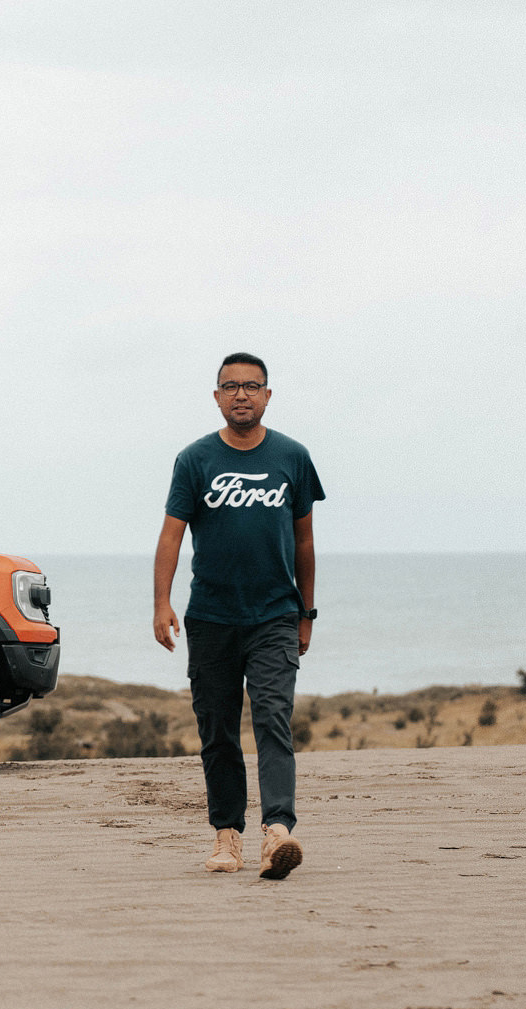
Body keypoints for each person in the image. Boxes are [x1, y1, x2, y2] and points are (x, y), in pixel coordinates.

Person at [152, 353, 324, 880]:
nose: (242, 394)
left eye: (252, 386)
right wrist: (162, 603)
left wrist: (306, 613)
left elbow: (304, 540)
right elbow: (171, 535)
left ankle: (278, 832)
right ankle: (227, 835)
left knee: (273, 719)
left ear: (268, 395)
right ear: (217, 397)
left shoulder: (292, 456)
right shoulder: (194, 460)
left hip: (275, 614)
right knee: (218, 730)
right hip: (211, 617)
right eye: (231, 386)